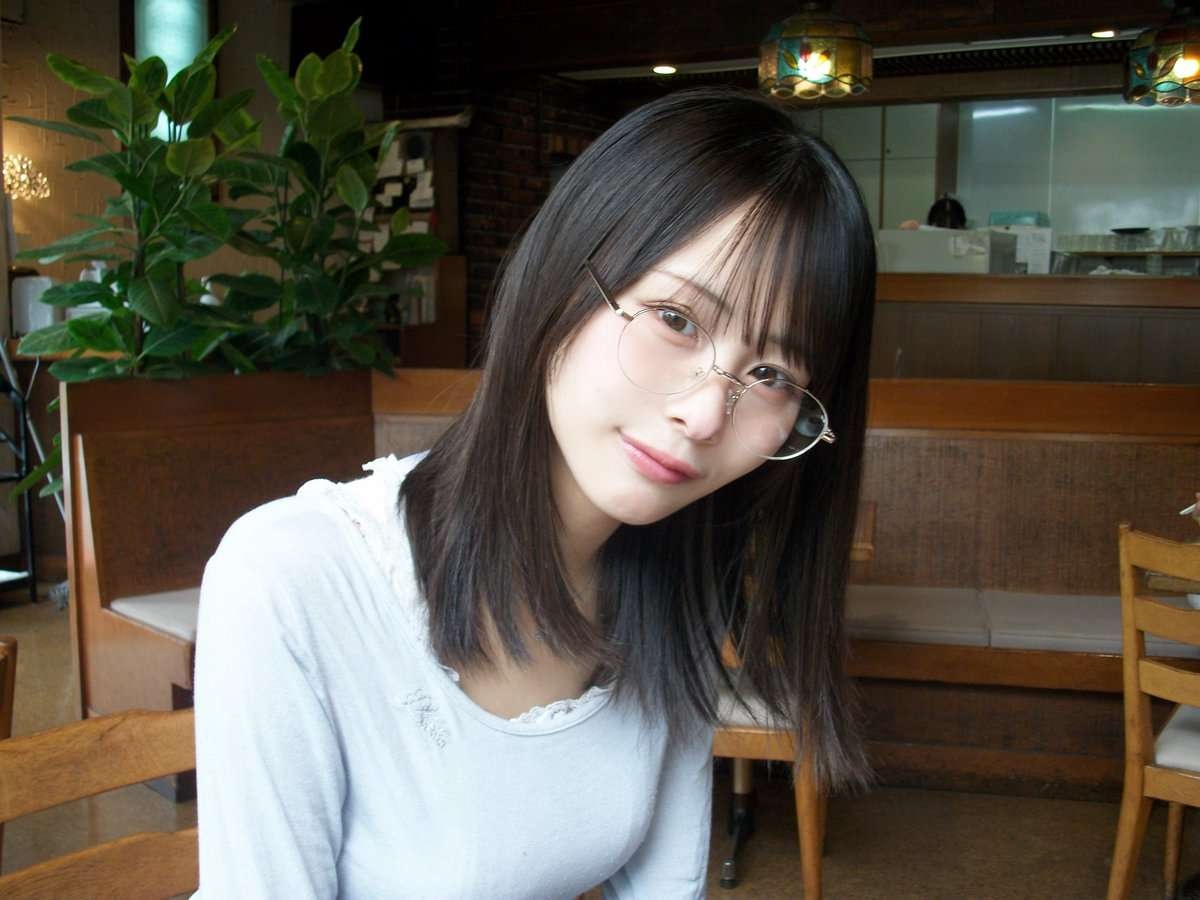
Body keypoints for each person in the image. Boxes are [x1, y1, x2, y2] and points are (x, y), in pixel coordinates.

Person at [191, 85, 877, 899]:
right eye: (676, 319)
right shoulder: (293, 577)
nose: (702, 416)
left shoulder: (671, 587)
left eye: (769, 374)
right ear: (562, 279)